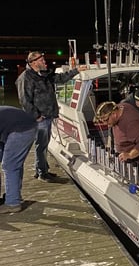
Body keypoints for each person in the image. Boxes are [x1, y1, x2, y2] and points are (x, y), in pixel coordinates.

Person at [15, 51, 88, 182]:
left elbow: (60, 78)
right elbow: (24, 100)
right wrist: (36, 116)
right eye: (42, 60)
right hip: (39, 118)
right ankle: (42, 173)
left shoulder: (44, 74)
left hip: (47, 116)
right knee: (41, 145)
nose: (45, 62)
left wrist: (76, 70)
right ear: (33, 63)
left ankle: (41, 169)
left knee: (43, 145)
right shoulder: (25, 78)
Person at [93, 101, 139, 196]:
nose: (105, 123)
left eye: (106, 120)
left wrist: (130, 155)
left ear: (114, 114)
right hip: (130, 155)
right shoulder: (120, 107)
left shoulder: (131, 123)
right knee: (137, 177)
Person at [0, 106, 37, 213]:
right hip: (24, 124)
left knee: (10, 165)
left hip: (21, 129)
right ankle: (14, 195)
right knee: (15, 164)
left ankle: (13, 203)